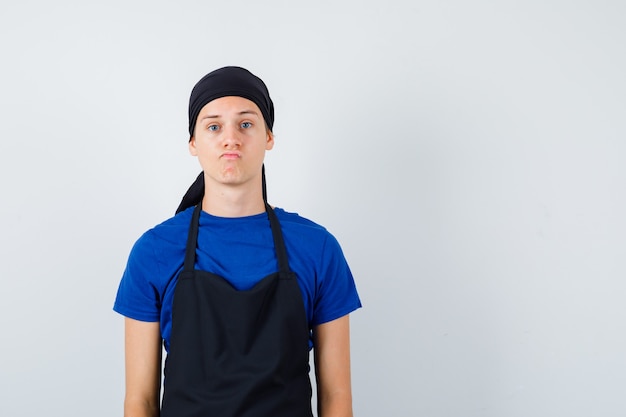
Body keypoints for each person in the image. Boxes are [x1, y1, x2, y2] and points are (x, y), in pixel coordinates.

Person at [113, 66, 361, 417]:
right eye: (214, 126)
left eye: (246, 124)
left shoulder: (318, 249)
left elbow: (336, 396)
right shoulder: (153, 252)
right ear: (194, 143)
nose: (231, 138)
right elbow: (141, 401)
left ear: (269, 137)